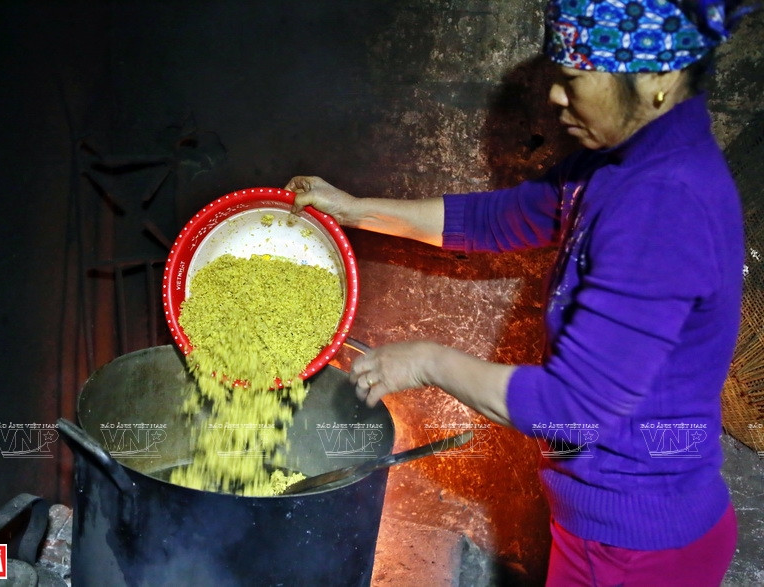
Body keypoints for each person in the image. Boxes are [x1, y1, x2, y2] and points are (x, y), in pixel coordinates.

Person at [286, 1, 749, 584]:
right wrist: (357, 211)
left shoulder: (663, 202)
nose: (556, 97)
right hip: (608, 526)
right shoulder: (618, 164)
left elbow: (570, 408)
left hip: (633, 548)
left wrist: (427, 360)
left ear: (656, 79)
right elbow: (497, 218)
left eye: (574, 79)